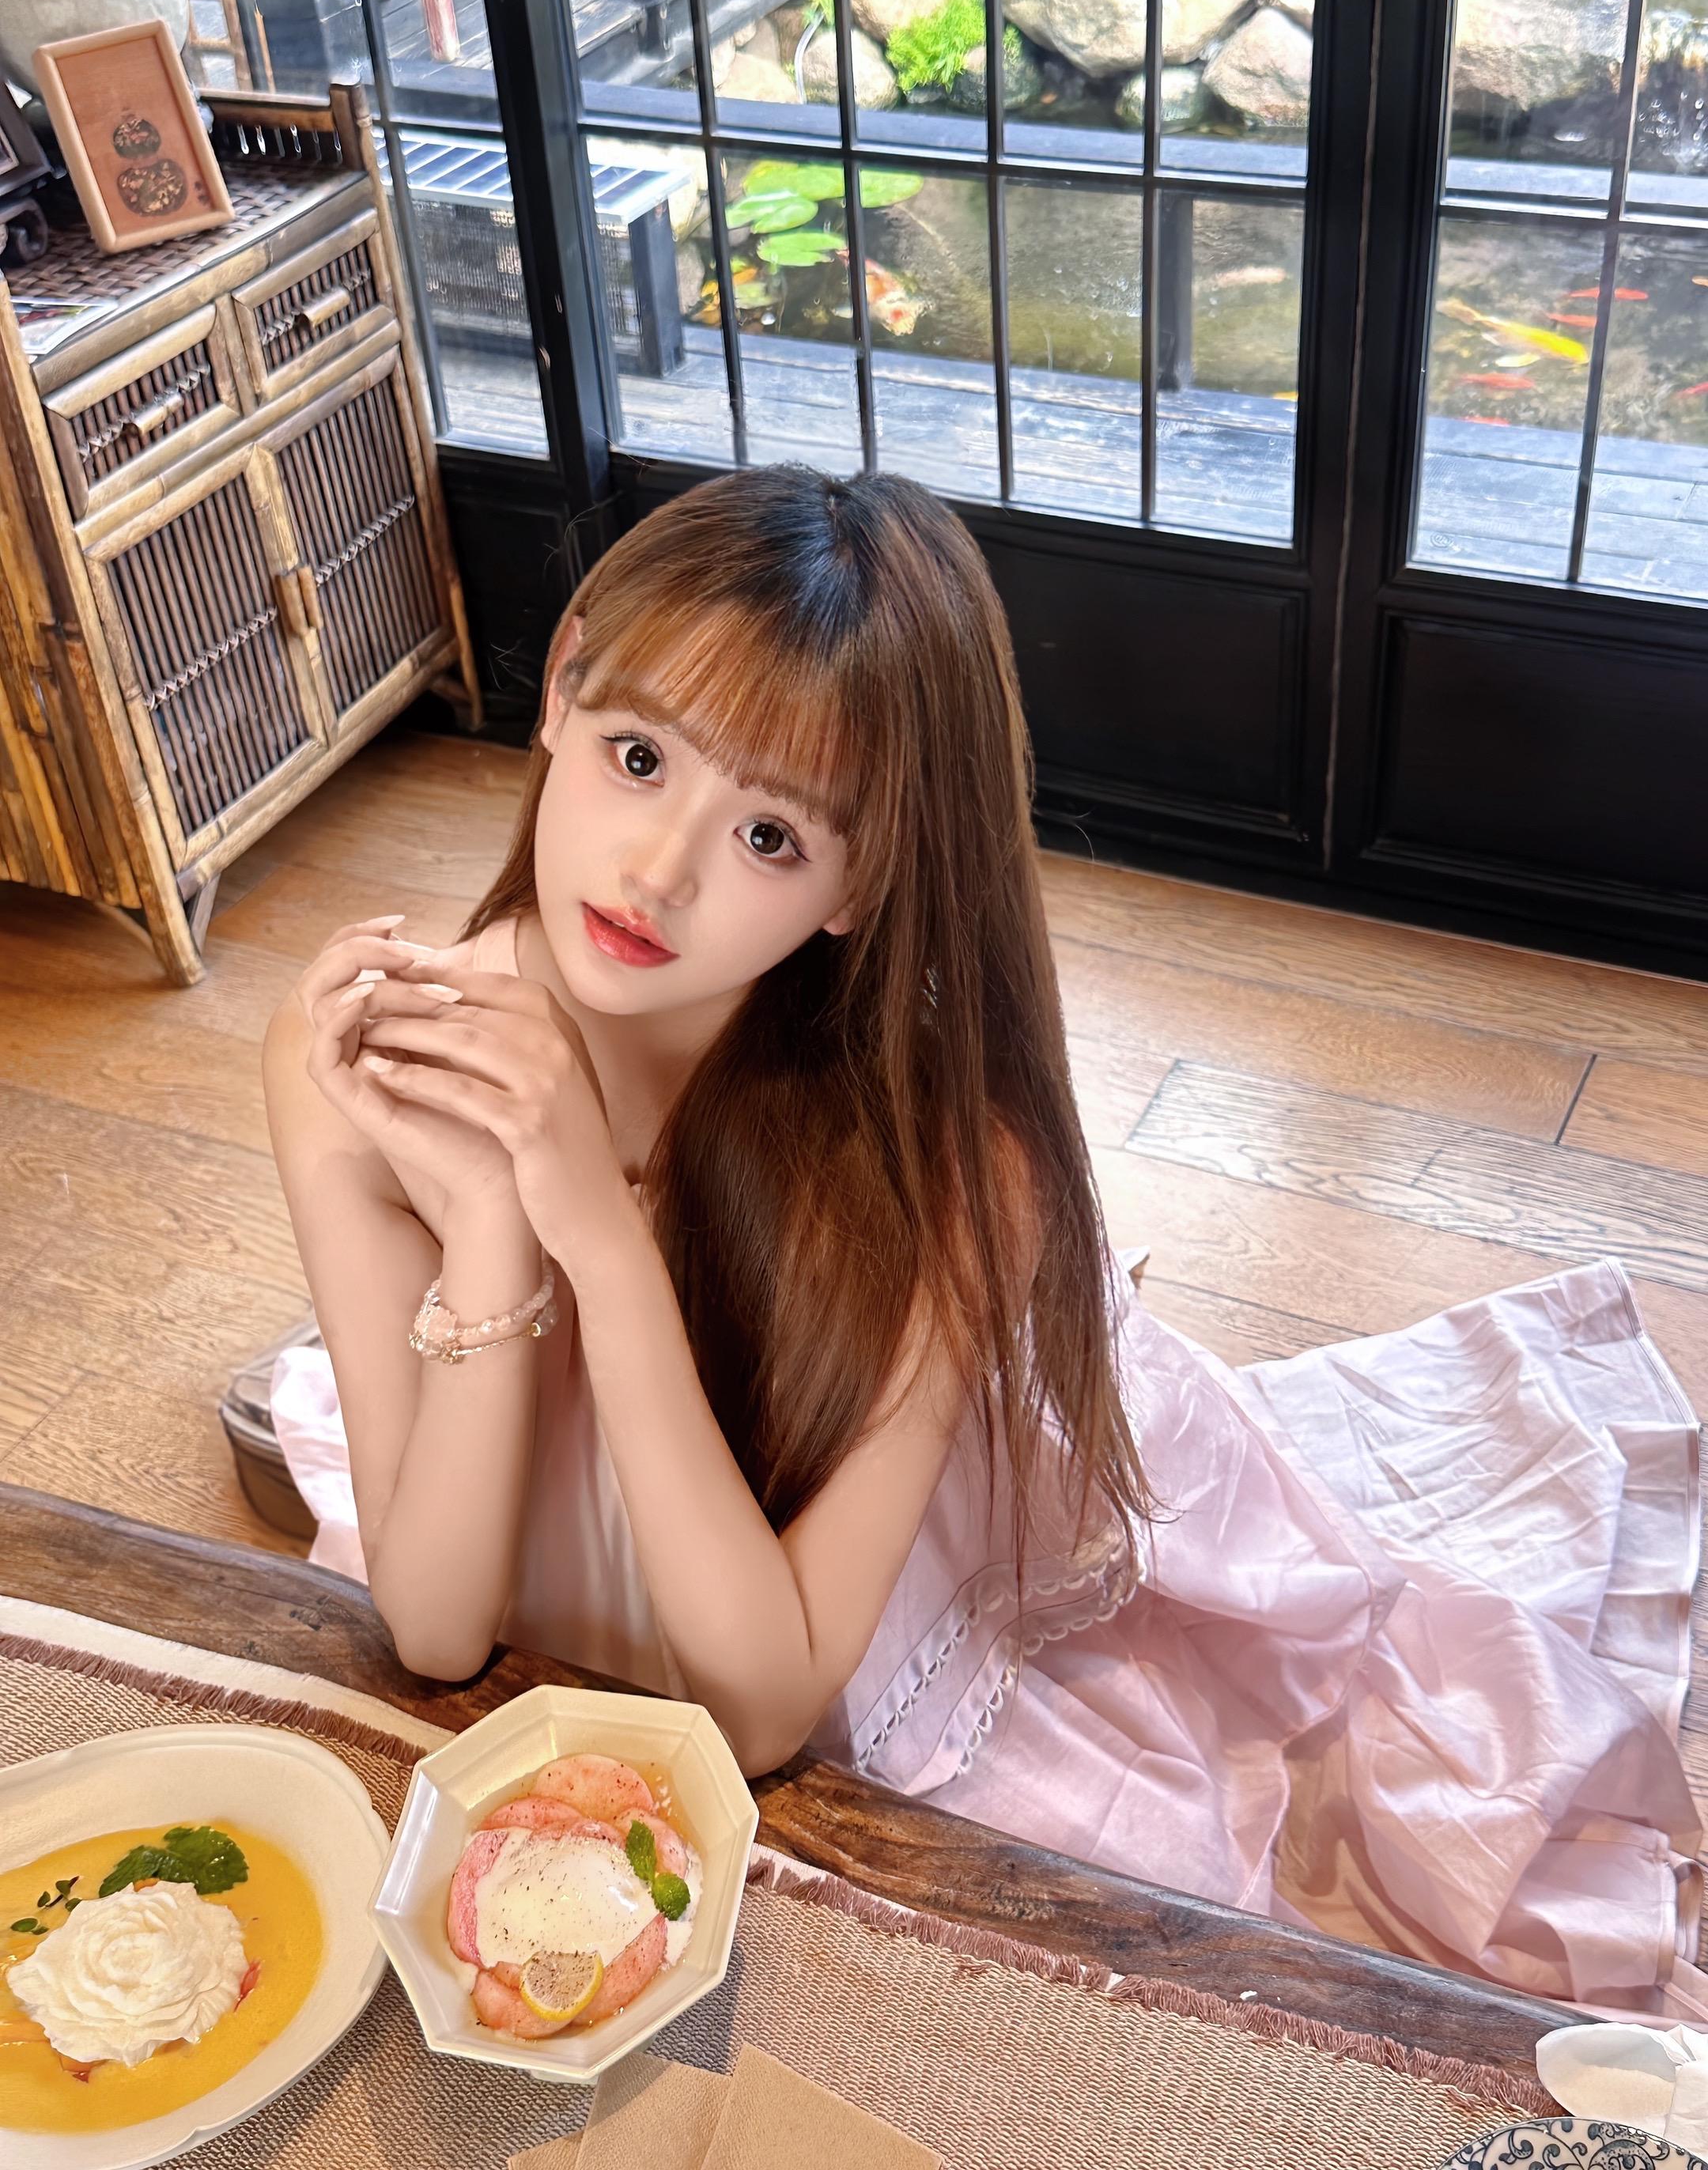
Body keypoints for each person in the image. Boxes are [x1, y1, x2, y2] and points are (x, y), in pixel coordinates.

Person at [263, 465, 1704, 2027]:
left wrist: (599, 1241)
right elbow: (436, 1630)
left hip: (819, 1585)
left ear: (861, 882)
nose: (659, 872)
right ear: (560, 685)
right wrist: (492, 1228)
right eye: (638, 757)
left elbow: (760, 1711)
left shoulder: (954, 1166)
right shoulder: (368, 1056)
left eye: (770, 834)